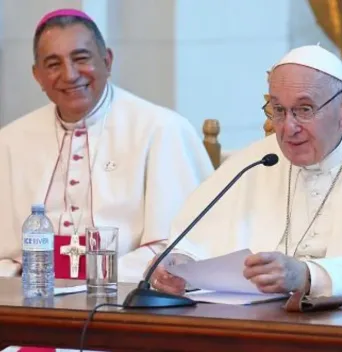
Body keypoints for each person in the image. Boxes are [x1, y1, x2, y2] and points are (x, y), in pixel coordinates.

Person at [151, 45, 342, 303]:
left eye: (304, 109)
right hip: (259, 329)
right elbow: (193, 243)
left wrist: (308, 275)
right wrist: (179, 269)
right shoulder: (257, 160)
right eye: (278, 109)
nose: (288, 128)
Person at [0, 8, 214, 284]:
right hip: (32, 300)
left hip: (127, 299)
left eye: (81, 59)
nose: (69, 74)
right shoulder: (9, 140)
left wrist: (95, 276)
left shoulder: (161, 129)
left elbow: (182, 247)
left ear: (107, 61)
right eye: (53, 64)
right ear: (37, 75)